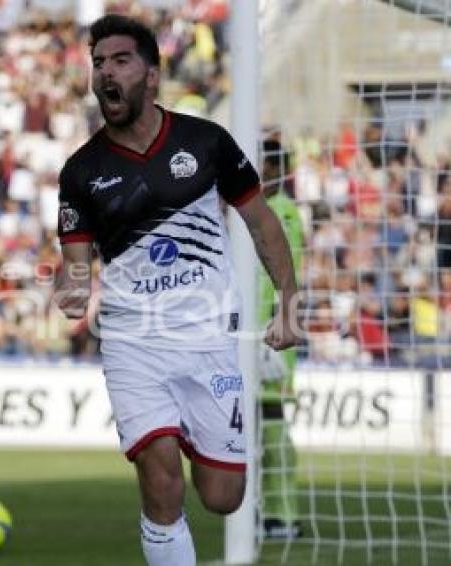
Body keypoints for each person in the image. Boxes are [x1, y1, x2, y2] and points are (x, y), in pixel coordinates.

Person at [53, 15, 298, 565]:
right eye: (98, 64)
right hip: (133, 343)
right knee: (160, 478)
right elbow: (74, 265)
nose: (105, 74)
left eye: (119, 61)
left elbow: (261, 222)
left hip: (210, 339)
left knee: (222, 497)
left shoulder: (206, 142)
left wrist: (288, 302)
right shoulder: (80, 172)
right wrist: (68, 289)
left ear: (152, 74)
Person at [258, 138, 304, 539]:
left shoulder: (285, 213)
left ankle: (283, 515)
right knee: (248, 429)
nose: (262, 171)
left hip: (272, 336)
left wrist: (281, 319)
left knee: (272, 426)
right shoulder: (250, 211)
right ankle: (256, 512)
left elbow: (291, 274)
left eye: (268, 165)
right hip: (243, 335)